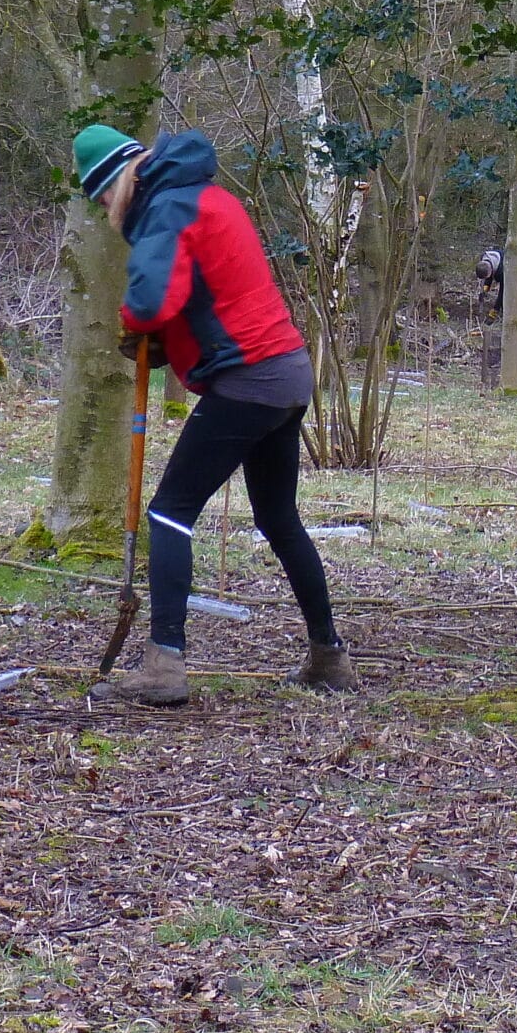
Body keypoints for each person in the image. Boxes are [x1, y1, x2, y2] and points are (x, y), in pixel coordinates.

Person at [75, 124, 358, 704]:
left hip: (250, 379)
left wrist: (137, 325)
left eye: (103, 198)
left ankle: (164, 666)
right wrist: (166, 341)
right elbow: (207, 288)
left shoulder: (167, 207)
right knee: (278, 518)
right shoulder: (205, 194)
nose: (106, 210)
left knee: (170, 512)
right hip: (287, 371)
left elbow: (151, 301)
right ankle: (329, 658)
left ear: (120, 181)